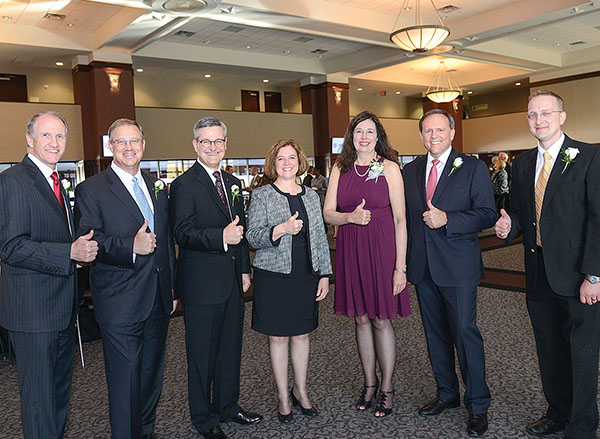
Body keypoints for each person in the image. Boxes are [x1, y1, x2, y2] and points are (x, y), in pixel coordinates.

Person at [494, 90, 600, 439]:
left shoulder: (588, 156)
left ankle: (582, 425)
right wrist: (511, 226)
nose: (538, 120)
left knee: (582, 355)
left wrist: (595, 275)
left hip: (579, 277)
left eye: (545, 114)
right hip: (538, 274)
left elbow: (598, 220)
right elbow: (525, 214)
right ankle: (558, 412)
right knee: (550, 352)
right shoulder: (523, 163)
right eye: (532, 115)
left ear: (562, 117)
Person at [74, 118, 177, 439]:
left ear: (144, 145)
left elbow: (167, 241)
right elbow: (89, 242)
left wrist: (171, 287)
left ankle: (145, 431)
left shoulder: (157, 185)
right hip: (119, 303)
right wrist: (130, 246)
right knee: (124, 381)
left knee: (150, 377)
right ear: (110, 148)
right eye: (121, 142)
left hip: (158, 298)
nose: (129, 147)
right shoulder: (90, 189)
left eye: (134, 141)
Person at [0, 111, 98, 439]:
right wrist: (68, 253)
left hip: (59, 309)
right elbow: (11, 247)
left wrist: (77, 250)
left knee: (57, 398)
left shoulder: (56, 180)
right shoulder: (13, 181)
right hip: (33, 315)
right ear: (29, 139)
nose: (54, 143)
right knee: (41, 404)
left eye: (60, 137)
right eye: (46, 136)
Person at [403, 109, 496, 437]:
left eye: (440, 130)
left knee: (464, 333)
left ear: (452, 133)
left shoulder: (473, 168)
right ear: (421, 135)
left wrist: (450, 220)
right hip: (423, 266)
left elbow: (486, 213)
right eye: (428, 131)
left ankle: (478, 403)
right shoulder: (410, 170)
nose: (434, 136)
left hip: (458, 267)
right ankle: (447, 394)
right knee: (436, 335)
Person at [169, 117, 262, 439]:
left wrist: (245, 269)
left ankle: (228, 405)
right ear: (195, 145)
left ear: (225, 144)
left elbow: (240, 230)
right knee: (201, 355)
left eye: (218, 141)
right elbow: (182, 232)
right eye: (206, 142)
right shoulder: (183, 185)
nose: (213, 147)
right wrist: (219, 236)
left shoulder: (233, 183)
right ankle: (203, 417)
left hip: (232, 284)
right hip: (201, 285)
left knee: (229, 350)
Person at [323, 110, 410, 418]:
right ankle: (369, 383)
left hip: (383, 250)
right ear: (351, 136)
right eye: (359, 131)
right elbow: (328, 213)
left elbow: (401, 220)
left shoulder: (389, 168)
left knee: (380, 319)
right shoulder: (339, 167)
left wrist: (401, 267)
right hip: (351, 249)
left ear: (378, 137)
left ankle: (387, 387)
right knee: (360, 318)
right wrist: (350, 218)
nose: (364, 137)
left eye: (370, 132)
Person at [247, 139, 332, 423]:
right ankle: (283, 396)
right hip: (274, 276)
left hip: (305, 274)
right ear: (274, 163)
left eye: (291, 158)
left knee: (302, 334)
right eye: (281, 159)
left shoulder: (310, 195)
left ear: (300, 162)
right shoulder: (261, 195)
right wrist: (280, 229)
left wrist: (323, 274)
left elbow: (319, 237)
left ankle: (301, 391)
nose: (286, 163)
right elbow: (253, 236)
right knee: (278, 336)